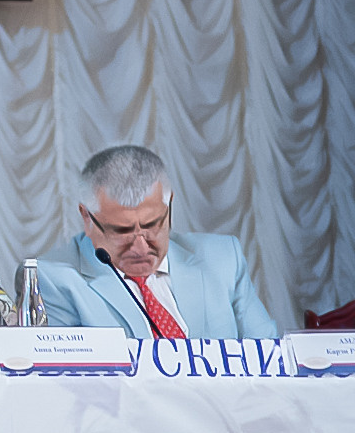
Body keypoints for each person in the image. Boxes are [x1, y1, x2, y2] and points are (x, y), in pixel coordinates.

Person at [37, 145, 276, 339]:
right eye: (122, 231)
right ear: (87, 218)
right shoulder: (54, 280)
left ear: (169, 207)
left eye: (152, 226)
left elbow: (270, 358)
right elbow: (69, 384)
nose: (140, 247)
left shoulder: (222, 259)